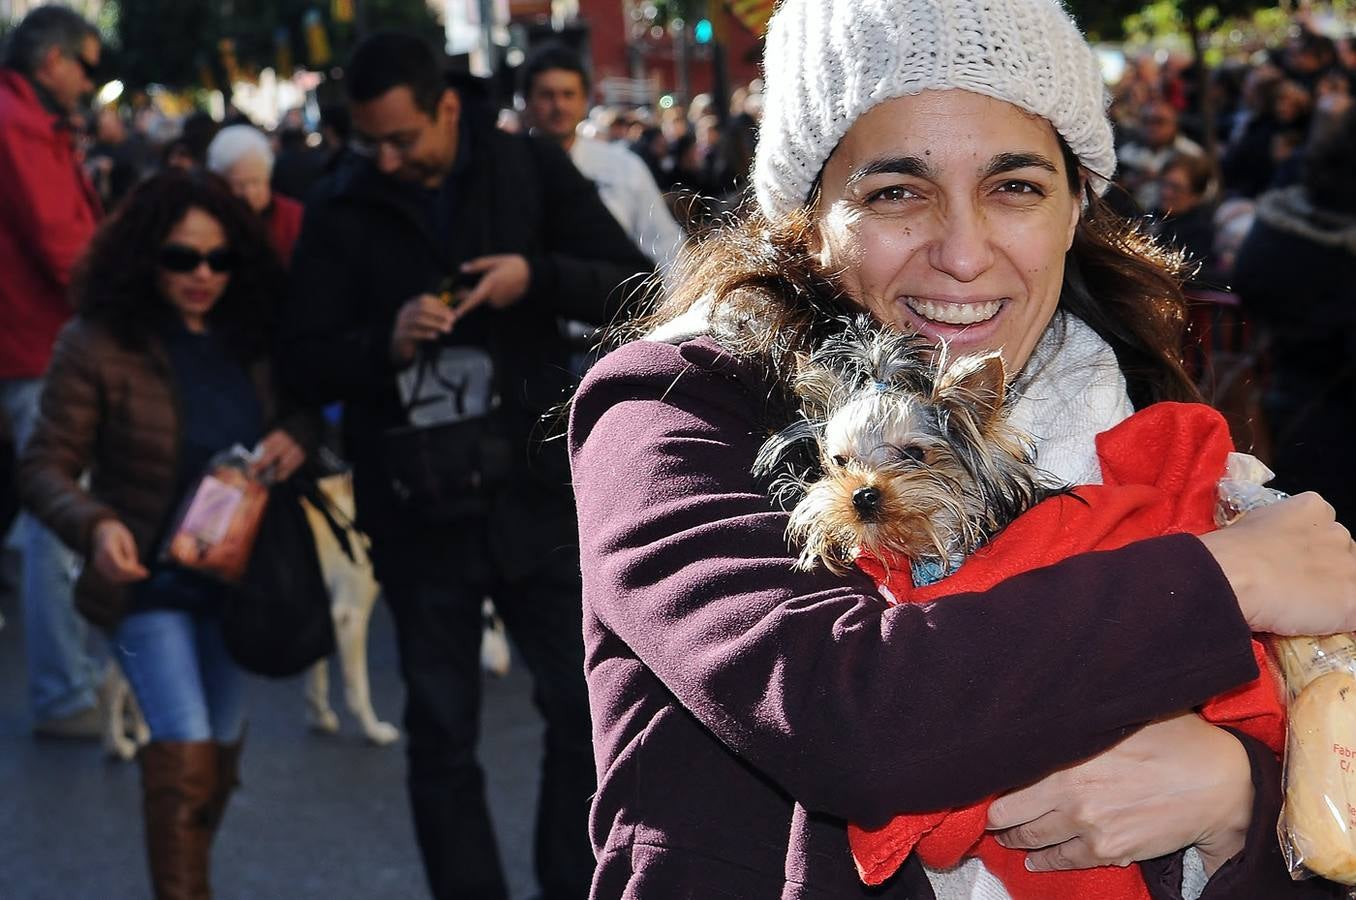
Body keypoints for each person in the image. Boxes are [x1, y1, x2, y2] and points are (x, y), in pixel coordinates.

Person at [566, 0, 1356, 896]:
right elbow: (846, 718)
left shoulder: (1145, 427)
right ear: (807, 216)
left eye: (1015, 186)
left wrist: (1239, 803)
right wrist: (1222, 580)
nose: (964, 254)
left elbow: (1315, 806)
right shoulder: (671, 408)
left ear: (1075, 209)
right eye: (896, 192)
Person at [279, 32, 653, 900]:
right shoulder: (343, 203)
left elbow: (634, 285)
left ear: (447, 108)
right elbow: (300, 359)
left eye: (402, 138)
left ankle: (572, 884)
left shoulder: (525, 168)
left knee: (584, 710)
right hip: (416, 507)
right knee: (442, 733)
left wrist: (537, 275)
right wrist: (385, 340)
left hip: (531, 489)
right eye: (371, 141)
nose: (386, 156)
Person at [19, 170, 314, 900]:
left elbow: (305, 412)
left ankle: (192, 878)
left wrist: (295, 438)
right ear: (146, 257)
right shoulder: (96, 344)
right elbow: (44, 466)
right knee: (181, 742)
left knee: (214, 751)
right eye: (182, 258)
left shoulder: (253, 337)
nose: (203, 275)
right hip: (146, 578)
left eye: (220, 259)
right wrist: (96, 524)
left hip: (237, 578)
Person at [0, 3, 106, 741]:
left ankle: (64, 680)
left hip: (34, 339)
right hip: (38, 343)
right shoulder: (19, 126)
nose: (92, 82)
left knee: (45, 516)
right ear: (52, 62)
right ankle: (64, 692)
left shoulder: (27, 121)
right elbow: (59, 241)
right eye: (87, 65)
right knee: (57, 517)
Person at [1234, 108, 1356, 531]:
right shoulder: (1334, 252)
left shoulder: (1281, 221)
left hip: (1288, 401)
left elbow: (1249, 279)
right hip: (1327, 418)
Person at [520, 42, 684, 272]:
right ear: (527, 100)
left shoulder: (624, 168)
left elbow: (667, 247)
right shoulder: (508, 170)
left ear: (584, 100)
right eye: (547, 95)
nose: (558, 105)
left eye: (568, 94)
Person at [206, 123, 305, 264]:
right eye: (239, 185)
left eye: (256, 182)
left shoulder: (294, 217)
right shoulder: (211, 222)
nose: (249, 193)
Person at [1117, 99, 1205, 211]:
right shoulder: (1127, 153)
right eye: (1146, 121)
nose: (1152, 128)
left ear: (1175, 123)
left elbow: (1205, 194)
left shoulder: (1192, 153)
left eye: (1159, 121)